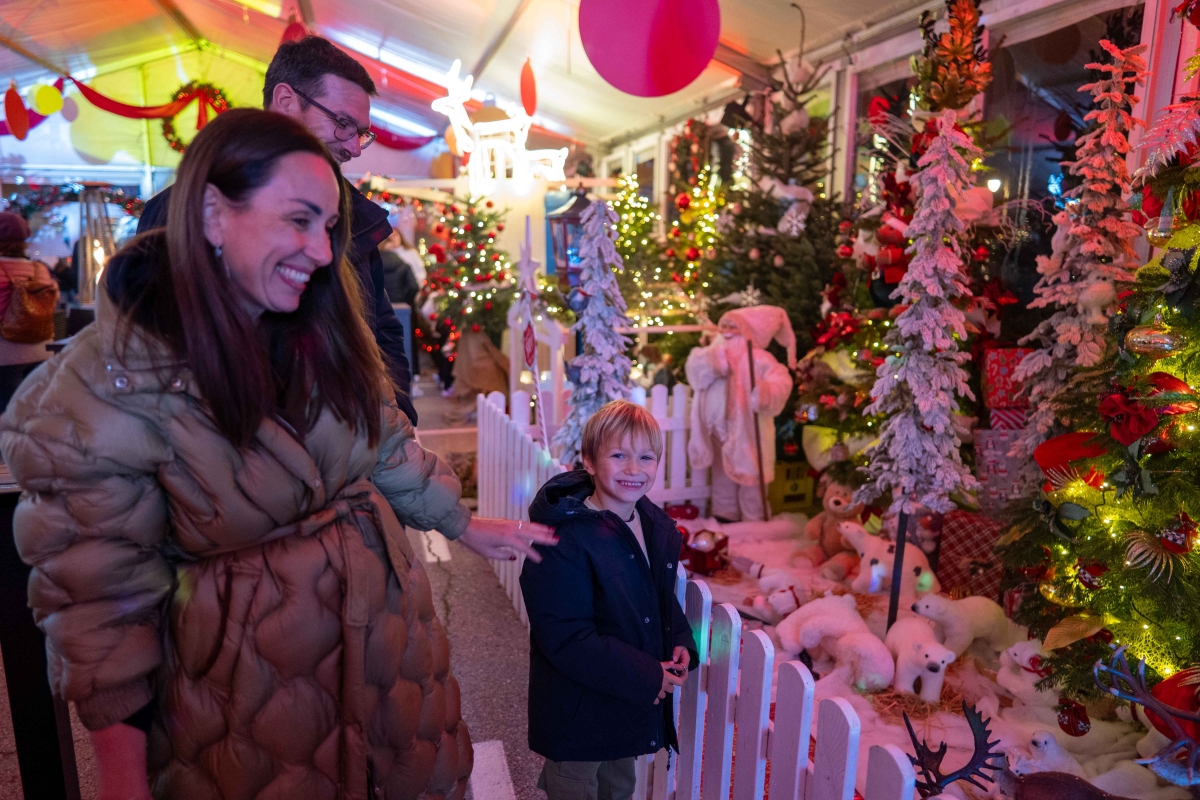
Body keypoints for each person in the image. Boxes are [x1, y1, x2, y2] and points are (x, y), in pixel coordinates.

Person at [1, 109, 555, 800]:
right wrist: (121, 775)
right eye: (298, 219)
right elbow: (99, 599)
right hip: (249, 705)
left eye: (327, 227)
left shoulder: (320, 327)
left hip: (391, 666)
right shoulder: (100, 388)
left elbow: (380, 437)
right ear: (211, 213)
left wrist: (465, 523)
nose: (322, 253)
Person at [137, 35, 419, 425]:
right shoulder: (176, 212)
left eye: (361, 133)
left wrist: (393, 421)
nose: (354, 148)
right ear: (286, 101)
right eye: (342, 123)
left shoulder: (357, 215)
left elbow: (380, 328)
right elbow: (154, 352)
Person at [522, 400, 697, 800]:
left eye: (645, 457)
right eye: (618, 455)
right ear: (589, 460)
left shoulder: (650, 523)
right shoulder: (564, 537)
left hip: (624, 700)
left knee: (619, 786)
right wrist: (647, 676)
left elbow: (656, 596)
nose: (633, 469)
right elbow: (566, 636)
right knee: (577, 787)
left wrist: (680, 638)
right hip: (579, 708)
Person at [685, 306, 795, 521]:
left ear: (745, 329)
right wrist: (717, 360)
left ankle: (753, 519)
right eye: (723, 324)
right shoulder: (711, 354)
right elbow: (695, 370)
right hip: (716, 428)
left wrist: (765, 392)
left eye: (732, 325)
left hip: (747, 430)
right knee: (721, 474)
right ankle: (724, 515)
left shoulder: (759, 358)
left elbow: (781, 380)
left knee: (750, 472)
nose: (726, 329)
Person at [0, 212, 55, 411]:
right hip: (41, 351)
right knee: (32, 413)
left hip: (5, 355)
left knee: (7, 416)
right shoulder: (40, 269)